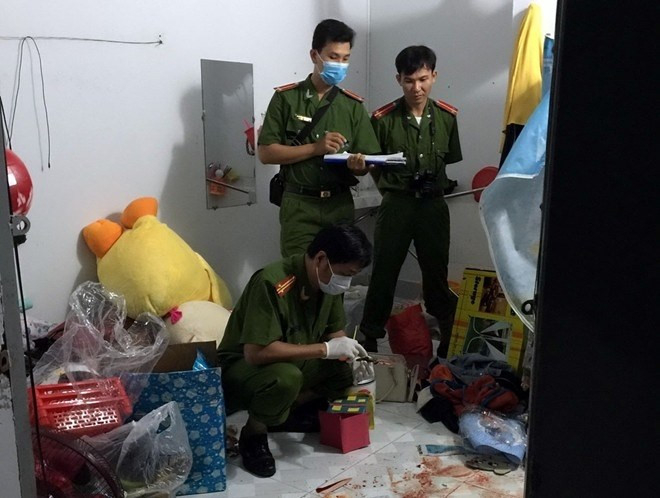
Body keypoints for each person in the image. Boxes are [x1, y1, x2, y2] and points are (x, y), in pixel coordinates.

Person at [217, 224, 374, 477]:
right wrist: (324, 349)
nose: (346, 282)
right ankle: (254, 434)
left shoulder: (328, 284)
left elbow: (334, 331)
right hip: (244, 369)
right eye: (346, 274)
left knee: (342, 372)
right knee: (286, 379)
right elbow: (256, 353)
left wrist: (350, 352)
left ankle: (285, 413)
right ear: (321, 259)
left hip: (292, 358)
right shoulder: (272, 282)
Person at [359, 46, 463, 356]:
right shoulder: (382, 119)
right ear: (398, 80)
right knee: (384, 272)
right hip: (397, 204)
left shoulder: (447, 117)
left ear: (434, 76)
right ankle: (370, 336)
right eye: (409, 81)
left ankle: (447, 332)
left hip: (433, 206)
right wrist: (391, 191)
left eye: (422, 79)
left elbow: (448, 162)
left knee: (436, 272)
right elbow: (373, 165)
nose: (416, 88)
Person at [258, 19, 380, 257]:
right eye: (333, 57)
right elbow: (266, 153)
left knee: (338, 269)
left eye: (345, 58)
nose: (340, 65)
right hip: (299, 205)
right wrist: (315, 148)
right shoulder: (286, 98)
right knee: (299, 271)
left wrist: (360, 167)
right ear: (315, 55)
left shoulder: (352, 106)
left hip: (339, 204)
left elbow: (368, 160)